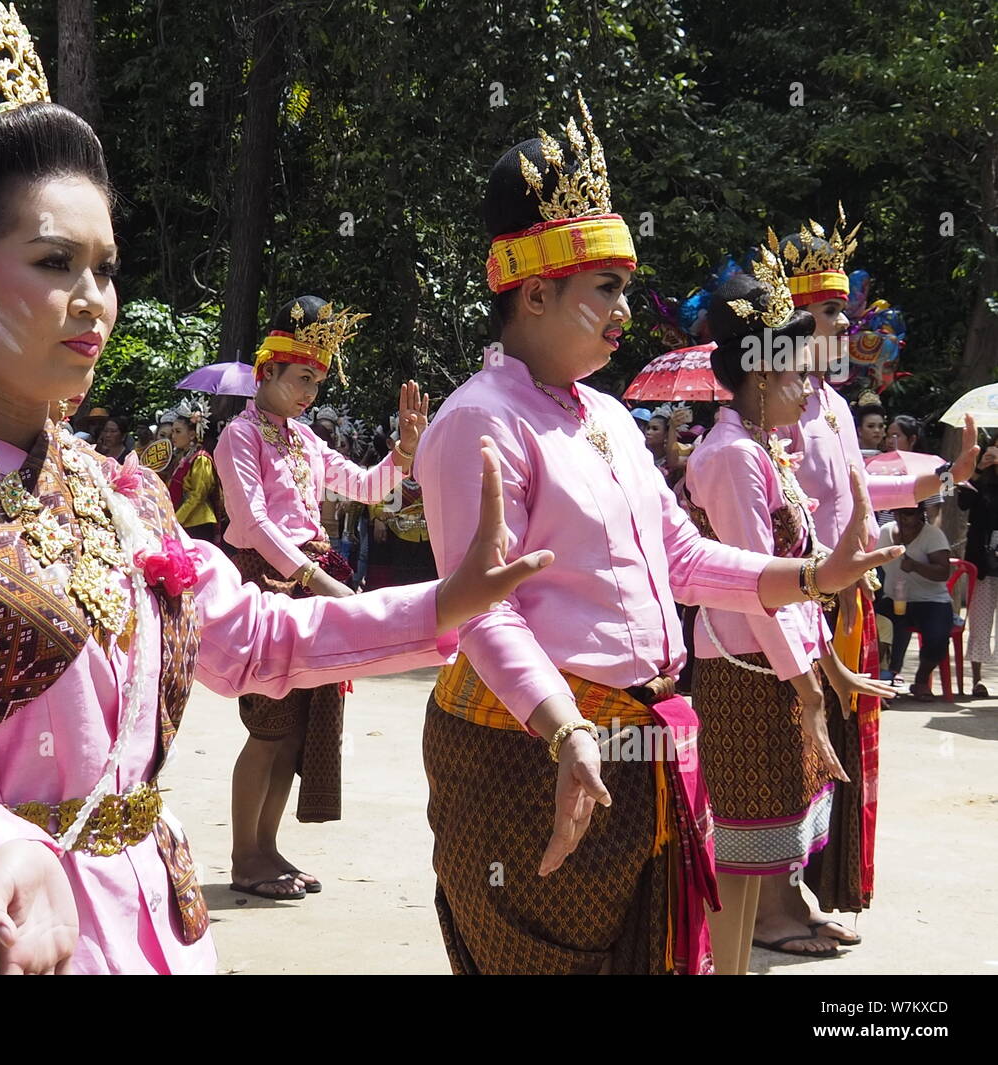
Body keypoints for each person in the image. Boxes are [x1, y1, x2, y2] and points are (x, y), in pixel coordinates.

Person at [0, 3, 541, 974]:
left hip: (154, 931)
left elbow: (254, 640)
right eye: (53, 262)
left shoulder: (124, 497)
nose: (93, 301)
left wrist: (444, 605)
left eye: (105, 267)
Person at [413, 98, 898, 975]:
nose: (624, 311)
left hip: (637, 742)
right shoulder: (475, 425)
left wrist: (812, 572)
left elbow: (682, 556)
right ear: (533, 292)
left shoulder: (605, 416)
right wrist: (564, 731)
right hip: (528, 750)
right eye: (607, 289)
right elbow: (483, 616)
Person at [771, 215, 976, 943]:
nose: (840, 322)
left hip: (845, 598)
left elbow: (857, 495)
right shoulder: (779, 400)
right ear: (788, 317)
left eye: (840, 309)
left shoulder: (830, 402)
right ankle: (772, 903)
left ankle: (800, 890)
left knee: (833, 752)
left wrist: (933, 492)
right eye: (825, 311)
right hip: (798, 600)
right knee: (795, 747)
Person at [684, 263, 892, 972]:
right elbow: (754, 586)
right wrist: (806, 681)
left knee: (778, 817)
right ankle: (739, 952)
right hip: (748, 667)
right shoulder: (733, 458)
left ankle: (760, 937)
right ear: (763, 375)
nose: (808, 389)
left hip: (780, 660)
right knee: (747, 835)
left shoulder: (763, 450)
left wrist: (825, 663)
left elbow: (795, 574)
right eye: (798, 374)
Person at [214, 295, 430, 898]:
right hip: (269, 581)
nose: (310, 391)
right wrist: (315, 580)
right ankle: (244, 857)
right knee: (269, 725)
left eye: (316, 380)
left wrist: (404, 452)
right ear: (268, 373)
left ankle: (266, 849)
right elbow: (253, 522)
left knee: (297, 724)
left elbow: (363, 486)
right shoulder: (238, 437)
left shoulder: (303, 439)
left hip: (310, 577)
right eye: (301, 378)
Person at [875, 504, 955, 700]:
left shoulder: (932, 535)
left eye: (909, 513)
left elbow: (944, 572)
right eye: (898, 512)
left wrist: (916, 566)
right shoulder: (885, 532)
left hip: (931, 600)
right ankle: (885, 677)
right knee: (876, 629)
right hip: (894, 598)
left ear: (921, 514)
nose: (903, 518)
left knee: (937, 637)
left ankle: (921, 679)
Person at [959, 442, 998, 696]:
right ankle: (977, 680)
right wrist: (977, 470)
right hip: (982, 559)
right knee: (980, 620)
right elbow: (958, 498)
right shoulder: (980, 479)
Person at [167, 397, 221, 544]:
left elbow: (198, 496)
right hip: (184, 522)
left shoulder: (201, 459)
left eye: (178, 431)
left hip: (198, 524)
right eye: (172, 431)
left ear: (192, 434)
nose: (173, 436)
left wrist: (175, 521)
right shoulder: (183, 458)